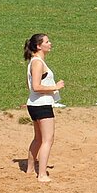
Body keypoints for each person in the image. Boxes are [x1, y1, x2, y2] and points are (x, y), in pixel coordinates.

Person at [25, 33, 65, 182]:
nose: (50, 44)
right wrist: (55, 87)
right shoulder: (37, 63)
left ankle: (29, 169)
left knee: (38, 139)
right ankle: (41, 174)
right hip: (41, 105)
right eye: (47, 42)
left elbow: (30, 85)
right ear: (38, 46)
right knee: (47, 140)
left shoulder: (35, 62)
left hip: (35, 104)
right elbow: (35, 86)